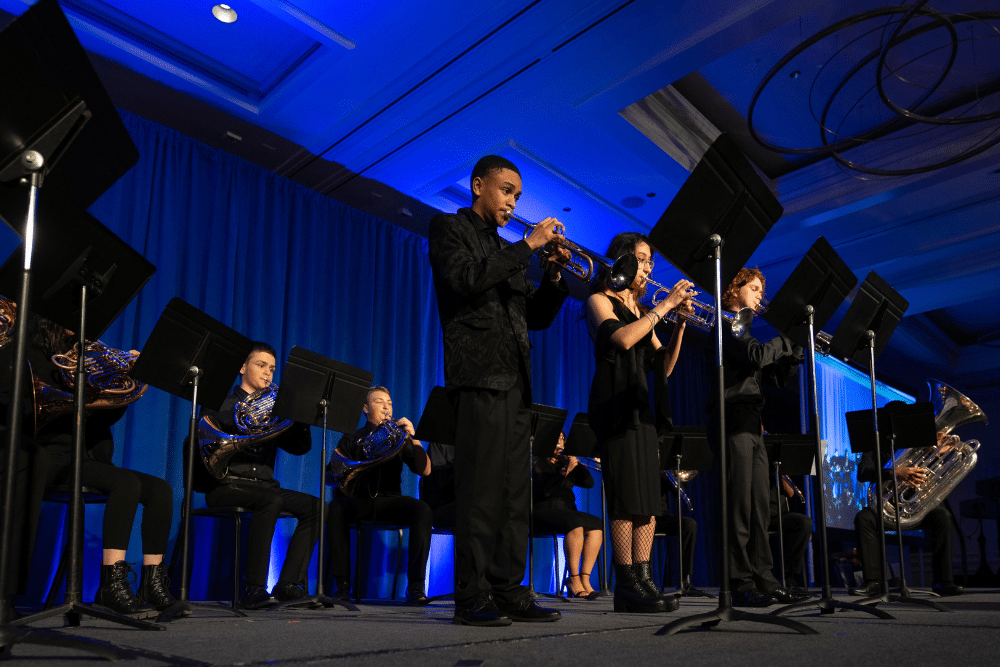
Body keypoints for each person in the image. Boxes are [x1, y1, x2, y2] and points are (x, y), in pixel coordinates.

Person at [428, 154, 570, 626]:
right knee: (481, 493)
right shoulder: (448, 229)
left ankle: (510, 591)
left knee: (514, 494)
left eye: (517, 195)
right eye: (506, 190)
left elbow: (538, 318)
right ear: (478, 185)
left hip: (516, 386)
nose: (513, 201)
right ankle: (471, 597)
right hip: (479, 379)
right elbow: (467, 280)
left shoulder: (508, 251)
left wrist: (552, 275)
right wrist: (528, 244)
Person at [29, 316, 176, 619]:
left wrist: (127, 384)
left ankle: (152, 583)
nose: (78, 329)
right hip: (55, 457)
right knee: (126, 484)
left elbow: (101, 418)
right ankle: (112, 583)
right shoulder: (42, 359)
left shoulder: (85, 359)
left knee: (161, 489)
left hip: (90, 458)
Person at [585, 232, 695, 613]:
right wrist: (664, 306)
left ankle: (644, 580)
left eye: (650, 261)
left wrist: (679, 324)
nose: (649, 268)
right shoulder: (599, 301)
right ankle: (626, 584)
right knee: (625, 498)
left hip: (642, 409)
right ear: (624, 262)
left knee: (647, 500)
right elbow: (623, 340)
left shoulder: (642, 312)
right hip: (615, 408)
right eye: (643, 259)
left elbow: (662, 367)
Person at [709, 267, 808, 607]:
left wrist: (794, 351)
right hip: (732, 420)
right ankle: (739, 582)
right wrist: (784, 338)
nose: (758, 295)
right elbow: (756, 356)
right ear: (734, 290)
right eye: (753, 288)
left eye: (760, 290)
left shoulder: (745, 329)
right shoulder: (727, 322)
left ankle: (764, 577)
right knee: (739, 508)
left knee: (760, 509)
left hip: (753, 422)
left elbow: (776, 377)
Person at [196, 342, 321, 609]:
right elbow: (208, 430)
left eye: (272, 369)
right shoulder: (221, 401)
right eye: (261, 365)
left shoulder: (278, 410)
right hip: (226, 484)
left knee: (316, 507)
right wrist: (254, 412)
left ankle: (287, 584)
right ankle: (253, 589)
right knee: (270, 501)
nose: (268, 373)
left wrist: (300, 414)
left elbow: (300, 448)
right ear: (243, 367)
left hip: (264, 486)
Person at [326, 386, 433, 605]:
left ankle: (415, 586)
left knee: (422, 509)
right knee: (335, 507)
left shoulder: (400, 437)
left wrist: (415, 439)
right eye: (379, 401)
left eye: (389, 402)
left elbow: (425, 470)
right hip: (360, 500)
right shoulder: (353, 437)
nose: (386, 407)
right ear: (365, 408)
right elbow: (330, 474)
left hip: (390, 500)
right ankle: (343, 586)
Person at [849, 427, 963, 597]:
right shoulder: (876, 446)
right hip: (884, 508)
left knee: (943, 516)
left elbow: (930, 477)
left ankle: (944, 581)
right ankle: (873, 582)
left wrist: (938, 454)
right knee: (863, 518)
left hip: (914, 507)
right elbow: (863, 472)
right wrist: (894, 473)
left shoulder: (921, 446)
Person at [532, 431, 603, 600]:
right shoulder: (537, 461)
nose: (561, 442)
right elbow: (543, 490)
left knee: (597, 526)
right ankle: (573, 579)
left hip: (567, 510)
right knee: (574, 524)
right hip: (543, 509)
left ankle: (585, 579)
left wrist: (576, 465)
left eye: (562, 438)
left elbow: (589, 483)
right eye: (557, 438)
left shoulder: (566, 461)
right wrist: (565, 471)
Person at [655, 471, 702, 596]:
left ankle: (684, 581)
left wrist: (673, 477)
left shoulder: (663, 471)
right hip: (642, 517)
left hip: (661, 518)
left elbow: (679, 494)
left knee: (689, 525)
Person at [767, 474, 812, 589]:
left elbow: (790, 493)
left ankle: (789, 574)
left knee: (804, 523)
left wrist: (781, 474)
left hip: (779, 515)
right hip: (762, 516)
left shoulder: (779, 472)